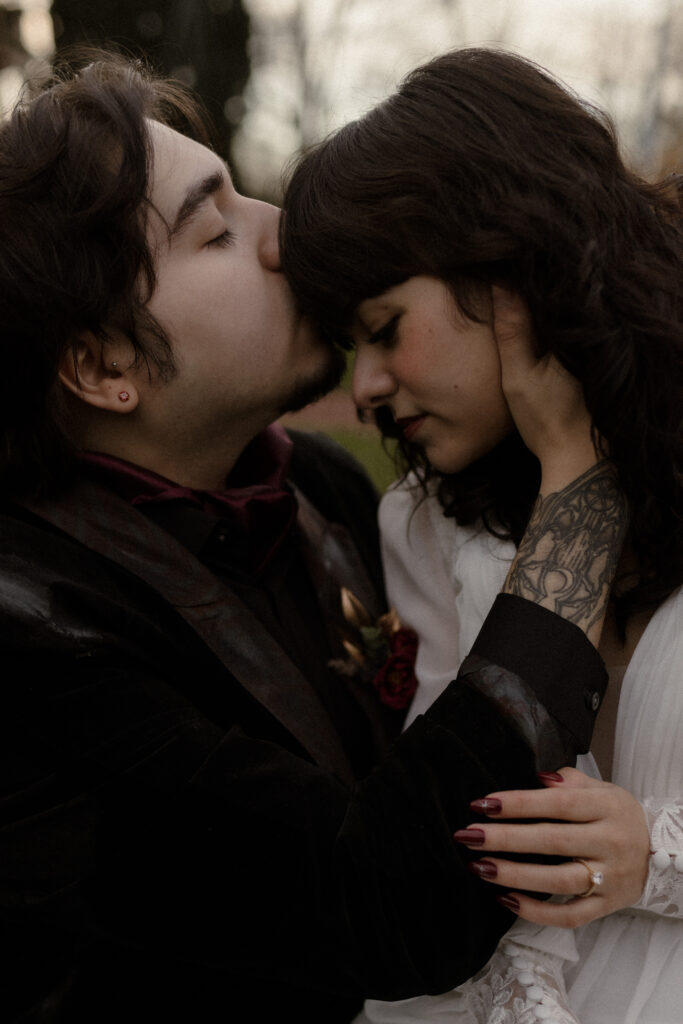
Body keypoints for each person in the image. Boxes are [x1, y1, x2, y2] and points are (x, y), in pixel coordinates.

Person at [0, 52, 626, 1024]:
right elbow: (379, 901)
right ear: (102, 362)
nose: (283, 234)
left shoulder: (322, 487)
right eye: (215, 229)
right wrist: (580, 499)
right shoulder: (30, 636)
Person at [281, 47, 683, 1023]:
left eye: (384, 327)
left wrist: (654, 857)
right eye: (348, 347)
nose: (365, 388)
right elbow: (462, 857)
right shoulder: (421, 523)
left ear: (507, 263)